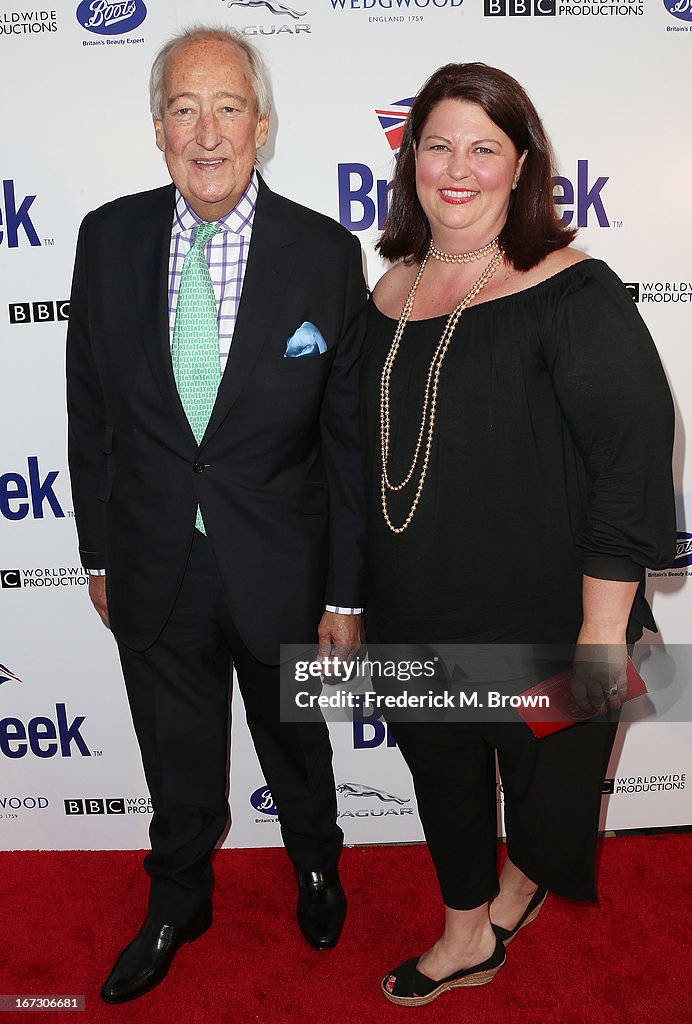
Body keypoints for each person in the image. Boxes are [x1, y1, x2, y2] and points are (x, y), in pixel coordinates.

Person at [360, 63, 676, 1007]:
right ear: (412, 155)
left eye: (484, 148)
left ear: (522, 164)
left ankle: (524, 882)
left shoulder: (574, 289)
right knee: (445, 780)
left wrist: (598, 637)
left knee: (544, 793)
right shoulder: (389, 287)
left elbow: (628, 462)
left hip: (544, 617)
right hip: (412, 605)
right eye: (439, 144)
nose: (457, 168)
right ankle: (466, 935)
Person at [66, 26, 366, 1004]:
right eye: (184, 109)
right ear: (158, 129)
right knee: (175, 748)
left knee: (295, 740)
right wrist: (99, 552)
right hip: (154, 558)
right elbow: (90, 410)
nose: (207, 132)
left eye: (226, 107)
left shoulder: (323, 253)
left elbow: (345, 442)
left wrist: (344, 591)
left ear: (262, 124)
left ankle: (315, 864)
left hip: (279, 563)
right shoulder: (106, 238)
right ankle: (177, 897)